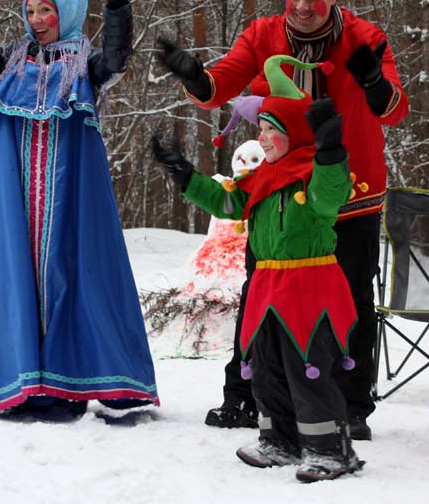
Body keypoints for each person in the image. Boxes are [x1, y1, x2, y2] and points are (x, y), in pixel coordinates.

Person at [156, 0, 408, 440]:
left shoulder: (364, 36)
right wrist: (194, 76)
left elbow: (395, 108)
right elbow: (220, 85)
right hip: (279, 196)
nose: (302, 7)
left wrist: (372, 83)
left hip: (349, 192)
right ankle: (248, 396)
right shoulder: (263, 33)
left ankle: (350, 405)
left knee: (351, 300)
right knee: (262, 293)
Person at [0, 0, 159, 420]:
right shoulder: (9, 63)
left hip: (71, 202)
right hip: (18, 204)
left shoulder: (86, 64)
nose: (36, 19)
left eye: (47, 11)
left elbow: (119, 59)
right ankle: (28, 381)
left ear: (69, 14)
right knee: (19, 278)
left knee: (75, 278)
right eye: (31, 11)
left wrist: (118, 2)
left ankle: (79, 378)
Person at [152, 55, 364, 482]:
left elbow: (330, 196)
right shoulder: (263, 178)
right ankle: (280, 439)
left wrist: (330, 151)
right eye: (261, 129)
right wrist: (185, 174)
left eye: (273, 131)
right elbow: (226, 201)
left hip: (308, 285)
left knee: (307, 367)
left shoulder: (313, 175)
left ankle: (330, 449)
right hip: (268, 284)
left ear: (297, 134)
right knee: (268, 368)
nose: (263, 139)